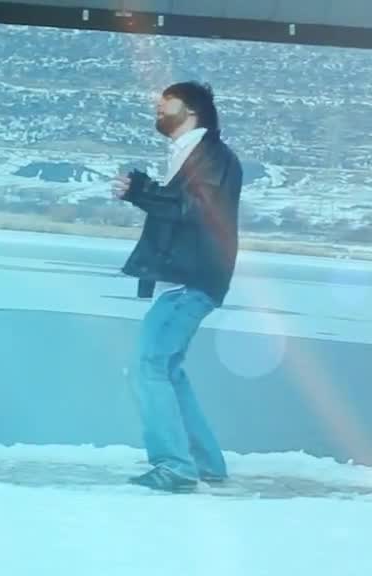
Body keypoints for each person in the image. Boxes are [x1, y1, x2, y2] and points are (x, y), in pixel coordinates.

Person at [112, 81, 244, 493]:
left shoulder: (211, 155)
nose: (158, 107)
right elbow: (185, 206)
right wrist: (145, 191)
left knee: (147, 367)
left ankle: (175, 466)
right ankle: (205, 464)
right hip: (185, 279)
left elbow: (198, 210)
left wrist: (141, 191)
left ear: (192, 111)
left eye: (166, 102)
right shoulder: (191, 153)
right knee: (167, 369)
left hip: (192, 279)